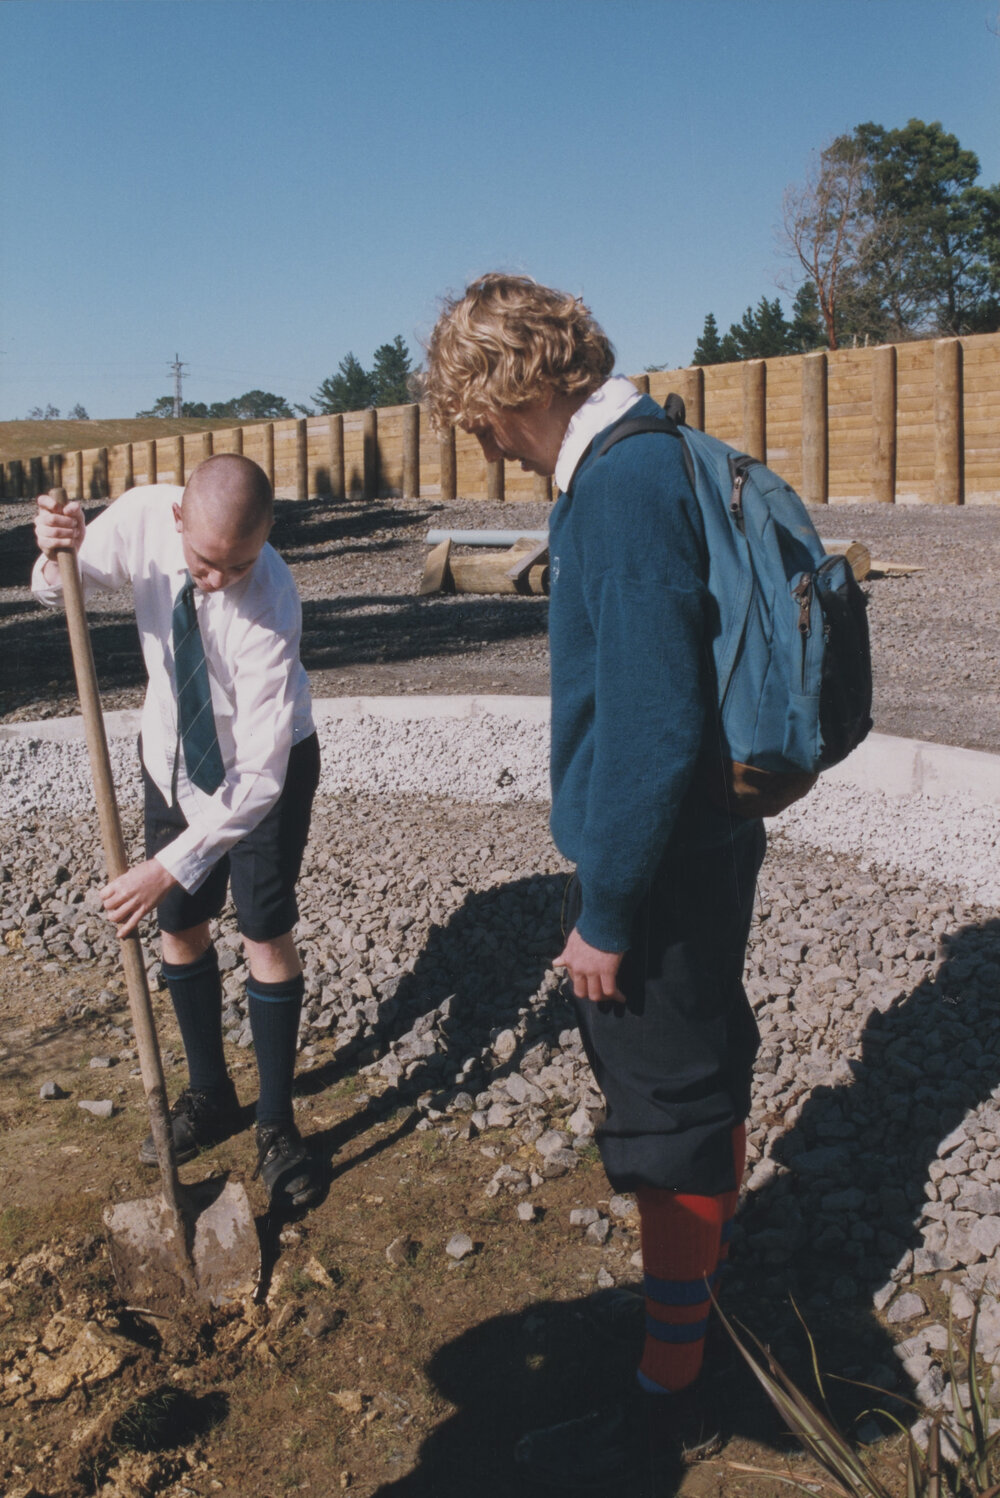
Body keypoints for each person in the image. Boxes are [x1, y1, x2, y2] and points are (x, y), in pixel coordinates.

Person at [425, 274, 767, 1483]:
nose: (485, 443)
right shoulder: (663, 444)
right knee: (705, 1083)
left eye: (480, 416)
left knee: (667, 1119)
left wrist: (605, 913)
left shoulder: (616, 486)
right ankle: (701, 1328)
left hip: (659, 863)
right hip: (711, 838)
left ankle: (669, 1399)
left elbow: (650, 725)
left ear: (513, 386)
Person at [32, 453, 321, 1208]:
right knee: (181, 926)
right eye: (203, 561)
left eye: (238, 563)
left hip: (264, 770)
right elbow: (57, 584)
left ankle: (275, 1123)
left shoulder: (272, 602)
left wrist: (168, 863)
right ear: (178, 521)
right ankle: (209, 1093)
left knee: (263, 929)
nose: (216, 579)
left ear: (264, 540)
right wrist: (55, 544)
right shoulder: (139, 516)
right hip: (170, 751)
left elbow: (257, 776)